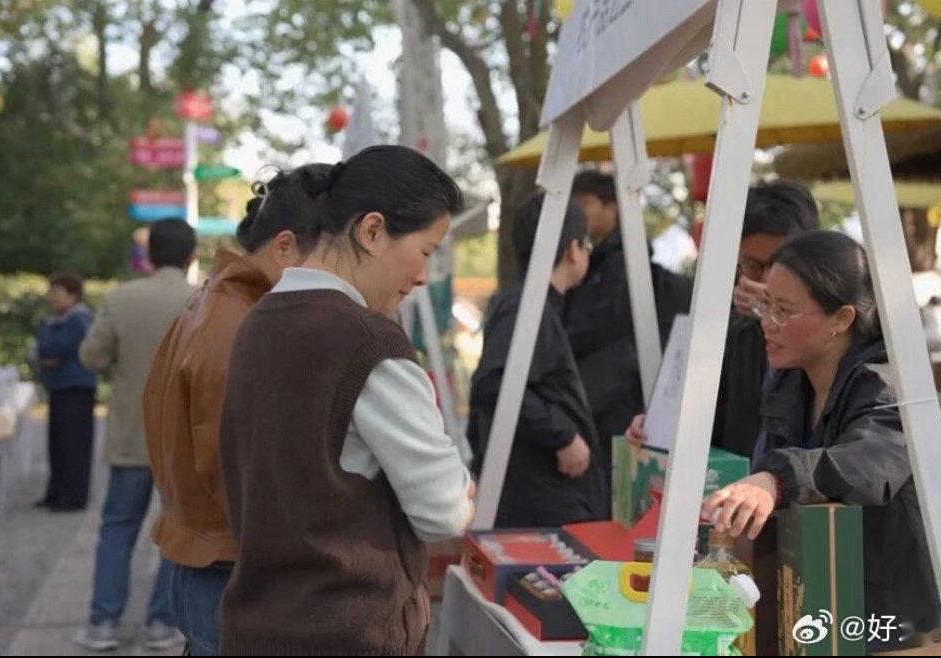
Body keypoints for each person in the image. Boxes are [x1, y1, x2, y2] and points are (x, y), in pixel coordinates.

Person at [682, 231, 941, 651]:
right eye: (765, 305)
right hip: (842, 606)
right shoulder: (793, 380)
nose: (766, 323)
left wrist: (776, 479)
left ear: (842, 319)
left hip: (924, 625)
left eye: (784, 310)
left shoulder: (895, 387)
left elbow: (865, 465)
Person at [218, 146, 474, 655]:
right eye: (425, 251)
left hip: (258, 624)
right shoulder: (368, 341)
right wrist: (465, 487)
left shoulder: (257, 322)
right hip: (349, 631)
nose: (423, 276)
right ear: (372, 230)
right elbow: (443, 510)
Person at [143, 195, 320, 656]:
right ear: (284, 247)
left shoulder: (219, 302)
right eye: (326, 259)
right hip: (228, 564)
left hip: (210, 556)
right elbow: (234, 471)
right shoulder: (244, 321)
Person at [625, 180, 820, 458]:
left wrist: (782, 312)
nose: (765, 279)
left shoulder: (840, 331)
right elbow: (708, 417)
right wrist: (659, 425)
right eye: (751, 265)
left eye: (778, 265)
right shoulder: (733, 331)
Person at [73, 220, 196, 651]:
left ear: (149, 256)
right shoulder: (201, 300)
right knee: (178, 529)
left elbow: (90, 357)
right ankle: (161, 622)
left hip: (130, 437)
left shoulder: (121, 298)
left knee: (117, 530)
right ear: (191, 255)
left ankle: (103, 622)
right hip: (183, 442)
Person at [467, 194, 608, 527]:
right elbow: (494, 382)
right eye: (587, 243)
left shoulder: (534, 305)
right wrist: (563, 436)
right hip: (540, 501)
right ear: (574, 250)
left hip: (542, 495)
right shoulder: (524, 307)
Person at [565, 170, 693, 464]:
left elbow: (597, 335)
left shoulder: (629, 274)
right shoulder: (588, 267)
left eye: (584, 203)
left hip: (615, 415)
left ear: (613, 208)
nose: (575, 213)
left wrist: (579, 395)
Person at [35, 273, 97, 512]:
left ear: (73, 295)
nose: (52, 298)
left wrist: (50, 354)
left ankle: (72, 496)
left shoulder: (79, 320)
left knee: (74, 444)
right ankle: (56, 491)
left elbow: (57, 348)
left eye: (57, 293)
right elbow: (44, 349)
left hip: (76, 387)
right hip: (60, 386)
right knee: (58, 443)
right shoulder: (56, 320)